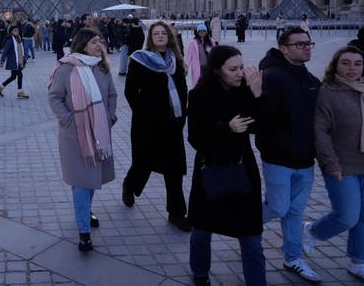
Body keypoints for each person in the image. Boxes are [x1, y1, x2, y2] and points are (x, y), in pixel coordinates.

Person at [187, 45, 266, 286]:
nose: (240, 73)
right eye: (233, 69)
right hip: (210, 168)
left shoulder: (247, 90)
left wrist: (258, 95)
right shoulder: (199, 95)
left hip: (243, 168)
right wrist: (226, 129)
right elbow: (195, 138)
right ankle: (200, 274)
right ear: (217, 70)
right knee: (202, 229)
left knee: (251, 235)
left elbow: (260, 126)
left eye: (241, 67)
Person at [257, 27, 322, 282]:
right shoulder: (271, 77)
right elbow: (265, 119)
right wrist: (281, 145)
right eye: (300, 44)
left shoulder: (310, 80)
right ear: (284, 49)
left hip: (305, 159)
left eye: (308, 43)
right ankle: (244, 224)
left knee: (295, 210)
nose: (306, 47)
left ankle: (293, 257)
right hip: (279, 158)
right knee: (277, 206)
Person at [48, 28, 117, 252]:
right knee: (81, 181)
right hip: (74, 136)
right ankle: (83, 232)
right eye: (95, 41)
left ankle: (85, 210)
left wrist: (110, 116)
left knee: (92, 177)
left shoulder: (102, 67)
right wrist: (69, 121)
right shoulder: (67, 67)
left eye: (101, 41)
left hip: (98, 133)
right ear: (83, 44)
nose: (100, 45)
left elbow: (112, 95)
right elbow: (54, 97)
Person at [302, 46, 364, 280]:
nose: (352, 69)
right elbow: (320, 131)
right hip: (341, 165)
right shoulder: (328, 91)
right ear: (335, 65)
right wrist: (331, 164)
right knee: (347, 216)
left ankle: (358, 260)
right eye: (346, 63)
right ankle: (313, 230)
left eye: (357, 64)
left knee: (363, 218)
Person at [121, 21, 190, 231]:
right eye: (156, 33)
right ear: (150, 38)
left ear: (169, 37)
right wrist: (144, 113)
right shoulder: (140, 60)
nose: (160, 36)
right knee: (143, 163)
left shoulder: (176, 61)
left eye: (163, 33)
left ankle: (176, 213)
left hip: (172, 123)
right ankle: (129, 185)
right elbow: (130, 92)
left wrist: (182, 115)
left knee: (175, 170)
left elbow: (183, 89)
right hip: (147, 125)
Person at [0, 25, 29, 99]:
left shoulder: (18, 38)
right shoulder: (10, 40)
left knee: (13, 77)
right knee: (20, 75)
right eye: (15, 30)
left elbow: (21, 49)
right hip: (14, 62)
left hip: (19, 61)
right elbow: (5, 51)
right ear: (11, 31)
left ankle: (0, 88)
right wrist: (2, 61)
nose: (17, 31)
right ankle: (20, 93)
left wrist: (25, 57)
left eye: (17, 30)